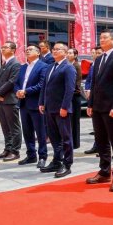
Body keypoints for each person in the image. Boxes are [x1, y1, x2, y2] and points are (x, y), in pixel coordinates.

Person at [86, 30, 113, 192]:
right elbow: (94, 84)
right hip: (97, 107)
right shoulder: (99, 59)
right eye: (100, 37)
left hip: (111, 108)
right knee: (101, 141)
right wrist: (90, 104)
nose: (101, 40)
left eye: (105, 37)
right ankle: (104, 171)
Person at [38, 42, 76, 178]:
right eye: (53, 49)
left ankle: (67, 163)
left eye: (58, 49)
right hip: (49, 108)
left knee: (66, 138)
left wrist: (64, 107)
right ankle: (57, 160)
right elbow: (44, 86)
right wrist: (41, 102)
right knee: (53, 137)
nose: (54, 51)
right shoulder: (50, 67)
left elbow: (70, 89)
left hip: (61, 109)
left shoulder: (68, 68)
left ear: (65, 52)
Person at [15, 44, 49, 167]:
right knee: (27, 131)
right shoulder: (23, 67)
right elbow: (17, 83)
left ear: (38, 53)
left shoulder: (43, 66)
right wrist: (18, 91)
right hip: (23, 103)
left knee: (40, 132)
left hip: (36, 103)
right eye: (26, 50)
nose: (27, 51)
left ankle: (42, 156)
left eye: (30, 50)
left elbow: (41, 84)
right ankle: (31, 155)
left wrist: (26, 91)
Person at [0, 42, 22, 162]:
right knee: (5, 126)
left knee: (14, 127)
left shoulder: (15, 64)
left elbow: (12, 81)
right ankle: (8, 148)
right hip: (1, 100)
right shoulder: (5, 63)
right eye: (2, 47)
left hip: (10, 99)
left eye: (6, 47)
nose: (3, 49)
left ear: (13, 50)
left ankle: (15, 151)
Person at [83, 46, 103, 155]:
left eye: (98, 53)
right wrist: (87, 90)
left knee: (103, 126)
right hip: (92, 97)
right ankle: (97, 145)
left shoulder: (104, 65)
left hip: (101, 98)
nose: (95, 55)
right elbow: (88, 80)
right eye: (94, 53)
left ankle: (102, 147)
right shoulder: (93, 65)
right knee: (96, 125)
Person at [67, 48, 83, 150]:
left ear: (75, 55)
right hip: (70, 95)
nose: (68, 55)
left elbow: (77, 81)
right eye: (67, 53)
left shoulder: (76, 65)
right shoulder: (68, 65)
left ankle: (76, 143)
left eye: (70, 53)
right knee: (70, 120)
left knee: (75, 120)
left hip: (75, 95)